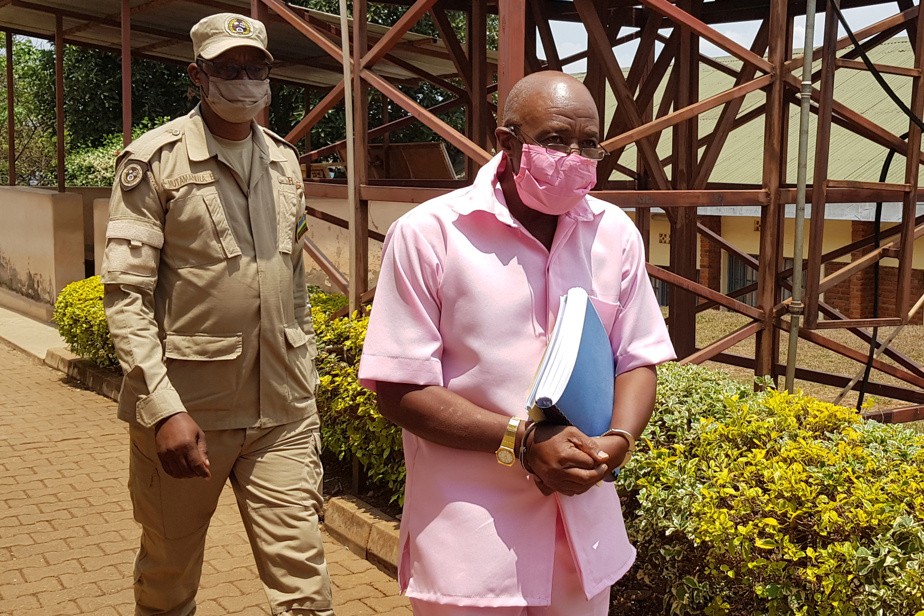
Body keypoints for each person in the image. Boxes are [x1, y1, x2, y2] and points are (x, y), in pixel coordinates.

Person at [358, 71, 676, 615]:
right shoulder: (430, 234)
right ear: (507, 142)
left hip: (581, 538)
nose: (574, 156)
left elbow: (638, 358)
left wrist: (618, 442)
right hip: (471, 543)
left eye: (589, 143)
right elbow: (399, 389)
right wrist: (523, 440)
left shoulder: (614, 233)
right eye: (555, 139)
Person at [101, 13, 333, 616]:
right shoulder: (155, 161)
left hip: (283, 411)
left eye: (256, 68)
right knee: (168, 578)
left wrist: (307, 381)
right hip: (188, 412)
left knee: (306, 588)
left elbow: (294, 281)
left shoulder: (283, 161)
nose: (245, 80)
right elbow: (126, 296)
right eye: (229, 68)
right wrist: (162, 409)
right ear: (197, 76)